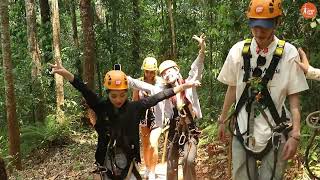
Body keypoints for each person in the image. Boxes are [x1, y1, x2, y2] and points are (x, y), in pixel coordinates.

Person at [49, 62, 200, 180]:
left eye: (122, 95)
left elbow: (158, 97)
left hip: (128, 162)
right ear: (107, 94)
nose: (118, 100)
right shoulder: (101, 106)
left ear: (126, 93)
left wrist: (183, 87)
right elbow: (84, 90)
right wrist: (66, 74)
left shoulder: (134, 108)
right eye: (114, 96)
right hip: (106, 161)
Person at [217, 0, 309, 179]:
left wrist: (295, 135)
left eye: (265, 26)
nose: (259, 32)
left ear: (277, 22)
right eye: (255, 25)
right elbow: (232, 88)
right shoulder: (238, 51)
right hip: (242, 131)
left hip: (276, 132)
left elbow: (294, 98)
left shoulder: (289, 54)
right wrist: (222, 119)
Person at [128, 34, 205, 180]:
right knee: (171, 162)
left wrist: (202, 50)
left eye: (170, 71)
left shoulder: (189, 84)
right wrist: (128, 81)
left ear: (177, 70)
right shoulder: (165, 92)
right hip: (173, 130)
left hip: (190, 130)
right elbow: (144, 87)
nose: (167, 74)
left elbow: (196, 69)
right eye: (164, 73)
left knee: (188, 162)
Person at [132, 57, 163, 180]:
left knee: (153, 143)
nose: (149, 74)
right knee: (145, 145)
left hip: (157, 116)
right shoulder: (138, 82)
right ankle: (147, 167)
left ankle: (153, 171)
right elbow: (134, 101)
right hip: (143, 117)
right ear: (144, 71)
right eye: (147, 71)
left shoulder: (160, 82)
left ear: (155, 71)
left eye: (152, 71)